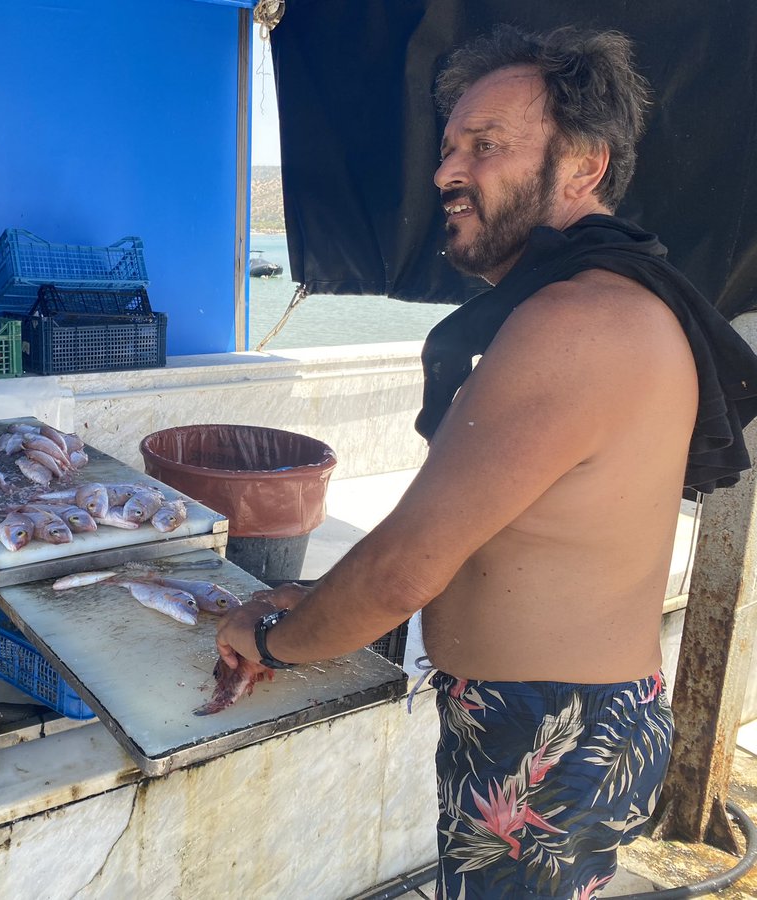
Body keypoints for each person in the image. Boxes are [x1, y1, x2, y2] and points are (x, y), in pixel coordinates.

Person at [217, 25, 757, 899]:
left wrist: (273, 637)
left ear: (584, 165)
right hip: (554, 720)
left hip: (545, 734)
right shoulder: (604, 303)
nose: (443, 173)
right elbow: (477, 533)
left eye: (485, 145)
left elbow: (405, 569)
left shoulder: (573, 324)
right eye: (448, 148)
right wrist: (314, 597)